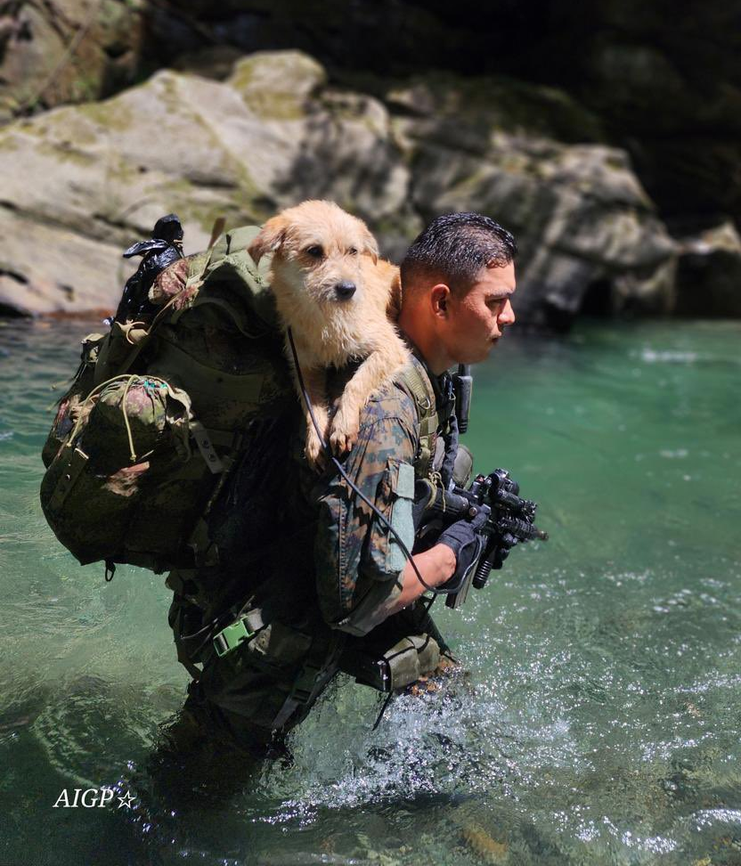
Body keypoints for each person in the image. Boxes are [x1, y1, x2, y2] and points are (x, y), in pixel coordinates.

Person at [159, 211, 517, 764]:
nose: (510, 316)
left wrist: (458, 516)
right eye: (495, 302)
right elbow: (356, 606)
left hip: (321, 601)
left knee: (461, 720)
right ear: (441, 304)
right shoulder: (385, 411)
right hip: (264, 667)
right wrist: (453, 553)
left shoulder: (426, 377)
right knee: (176, 811)